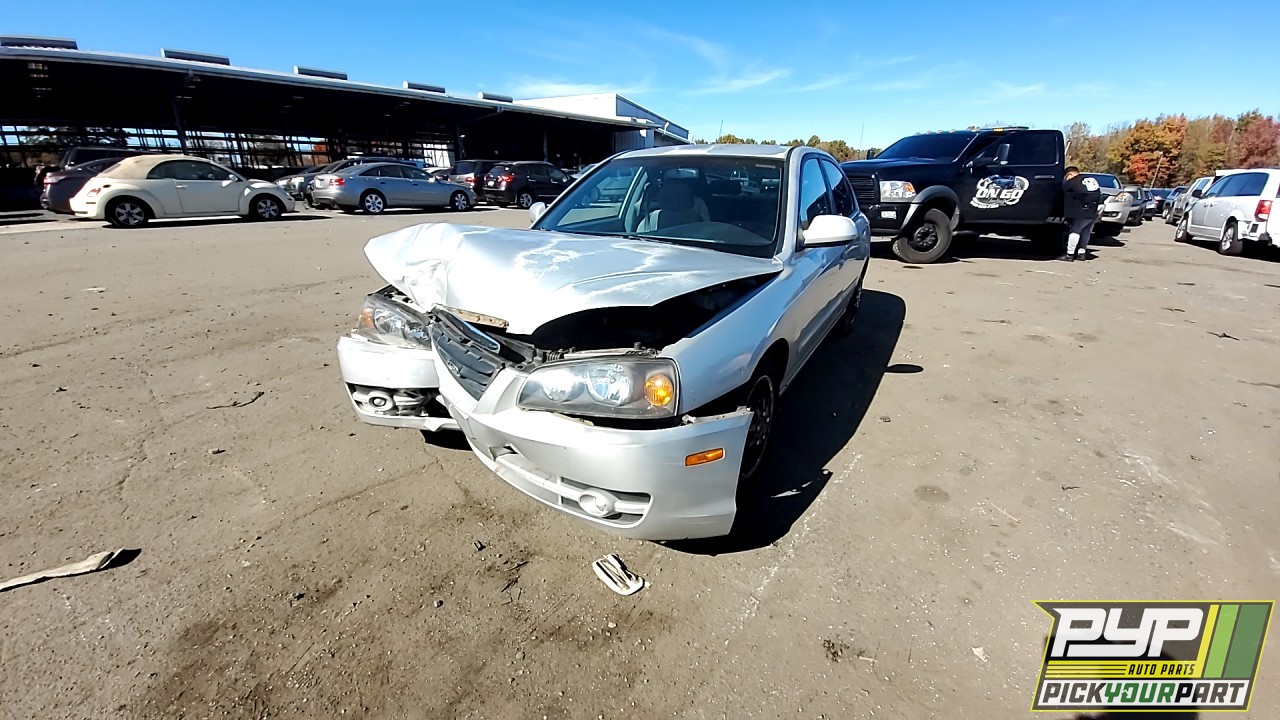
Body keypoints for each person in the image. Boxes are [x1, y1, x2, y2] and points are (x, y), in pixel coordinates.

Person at [1059, 166, 1101, 261]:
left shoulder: (1072, 182)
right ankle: (1081, 253)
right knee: (1086, 230)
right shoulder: (1091, 179)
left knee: (1075, 230)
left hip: (1082, 209)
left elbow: (1063, 193)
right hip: (1095, 208)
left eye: (1066, 178)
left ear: (1069, 175)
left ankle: (1070, 254)